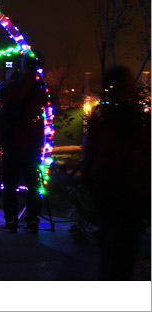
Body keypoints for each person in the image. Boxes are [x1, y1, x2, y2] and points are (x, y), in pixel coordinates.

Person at [82, 66, 150, 279]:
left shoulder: (100, 118)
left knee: (109, 242)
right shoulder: (137, 120)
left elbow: (91, 154)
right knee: (126, 246)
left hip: (103, 184)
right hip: (128, 187)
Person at [0, 51, 47, 233]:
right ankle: (32, 219)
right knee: (33, 183)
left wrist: (10, 78)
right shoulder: (41, 86)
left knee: (10, 183)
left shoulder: (14, 84)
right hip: (32, 141)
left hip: (13, 140)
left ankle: (11, 221)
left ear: (24, 66)